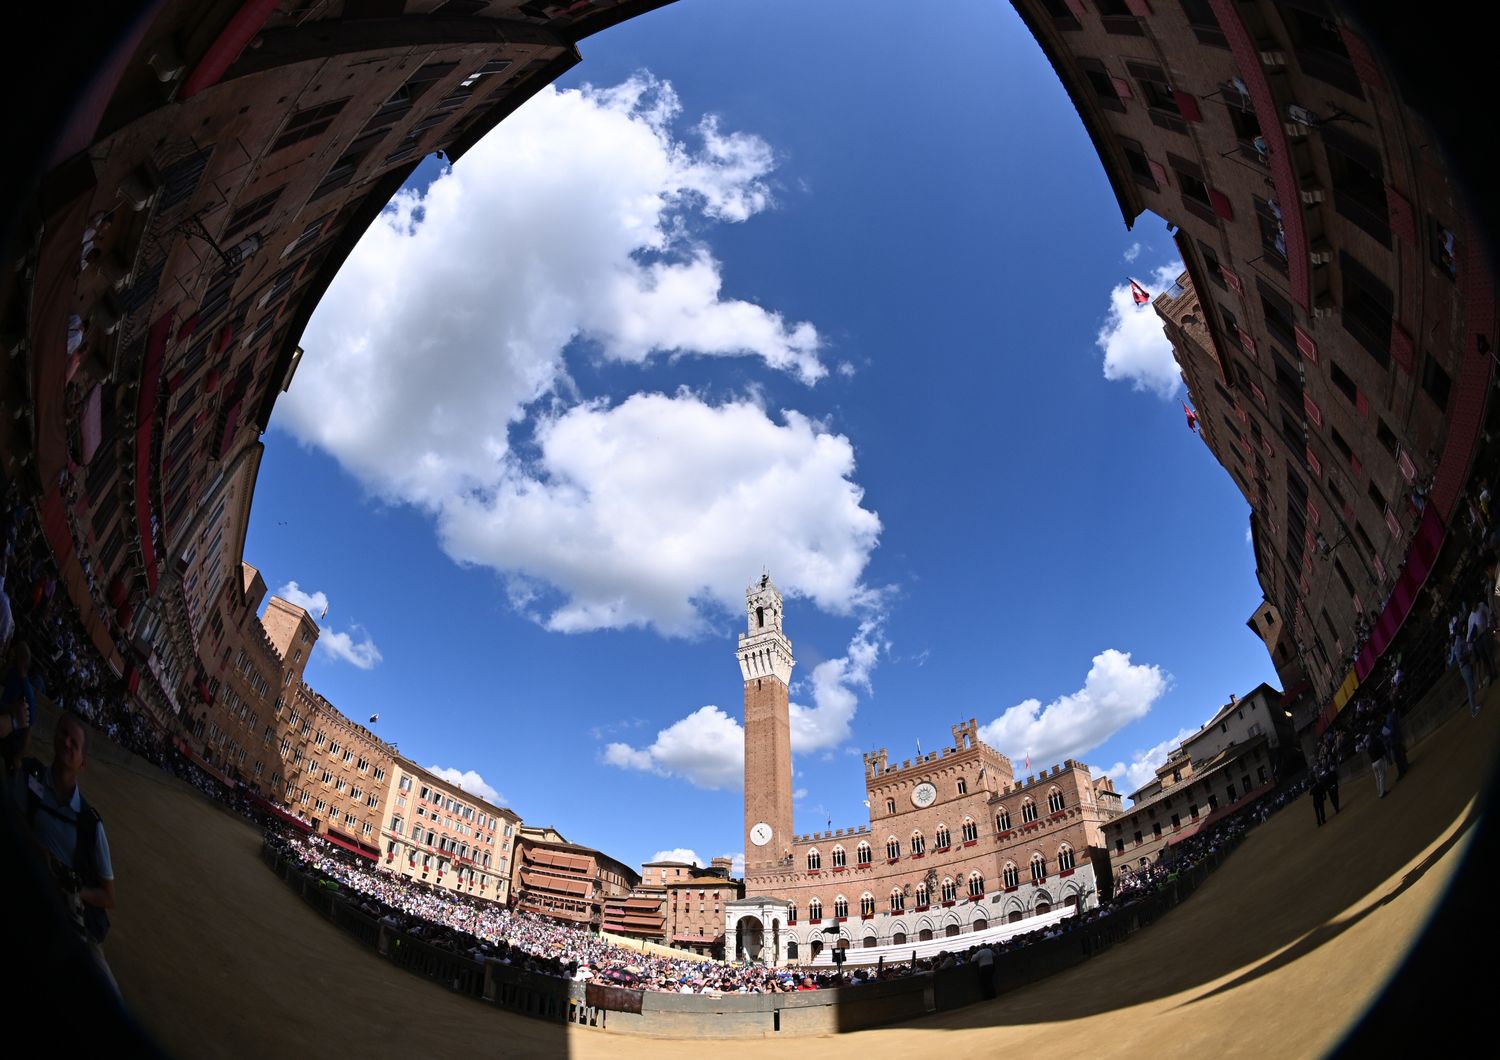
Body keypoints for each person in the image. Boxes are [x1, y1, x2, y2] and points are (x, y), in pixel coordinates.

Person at [15, 712, 118, 994]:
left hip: (74, 920)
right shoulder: (28, 778)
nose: (67, 743)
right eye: (63, 734)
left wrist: (75, 890)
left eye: (75, 741)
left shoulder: (90, 824)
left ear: (82, 762)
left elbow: (109, 896)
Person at [1, 640, 37, 774]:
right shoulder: (13, 672)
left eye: (15, 652)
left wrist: (17, 758)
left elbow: (28, 733)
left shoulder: (27, 692)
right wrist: (9, 663)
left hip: (9, 741)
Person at [1364, 728, 1389, 799]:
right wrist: (1385, 757)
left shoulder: (1369, 746)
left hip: (1373, 763)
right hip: (1378, 761)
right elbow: (1382, 750)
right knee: (1382, 776)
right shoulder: (1377, 741)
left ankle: (1380, 792)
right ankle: (1382, 792)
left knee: (1377, 778)